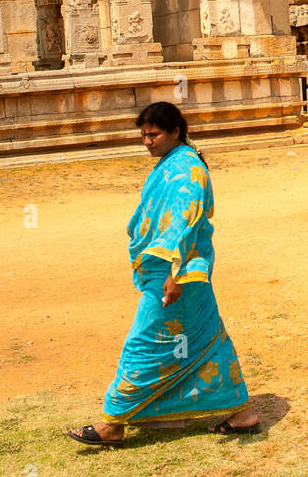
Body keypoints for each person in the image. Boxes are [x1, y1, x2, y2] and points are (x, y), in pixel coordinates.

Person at [67, 101, 259, 447]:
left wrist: (174, 275)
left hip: (178, 274)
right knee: (205, 341)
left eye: (153, 134)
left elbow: (183, 224)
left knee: (144, 342)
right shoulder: (174, 162)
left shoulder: (187, 169)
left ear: (175, 131)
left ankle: (114, 421)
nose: (147, 142)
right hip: (182, 272)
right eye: (143, 135)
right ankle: (242, 414)